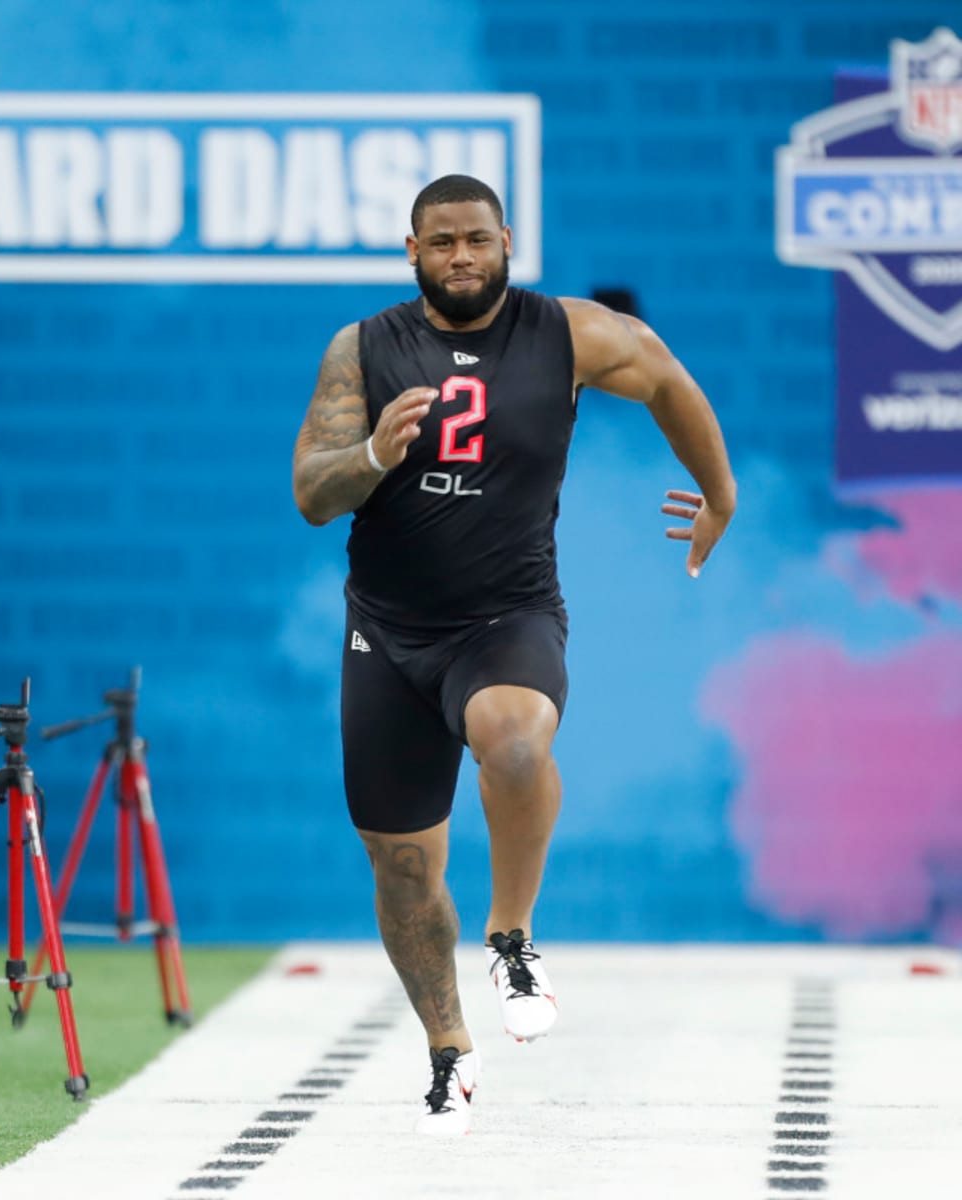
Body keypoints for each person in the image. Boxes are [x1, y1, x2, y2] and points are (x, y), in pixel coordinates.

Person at [291, 174, 736, 1136]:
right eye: (441, 241)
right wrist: (371, 454)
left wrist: (719, 496)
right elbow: (312, 493)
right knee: (403, 869)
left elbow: (664, 374)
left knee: (517, 741)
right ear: (412, 251)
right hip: (389, 632)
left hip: (508, 615)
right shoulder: (363, 348)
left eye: (477, 239)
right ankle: (449, 1050)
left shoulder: (566, 333)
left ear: (507, 242)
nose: (461, 256)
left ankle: (512, 936)